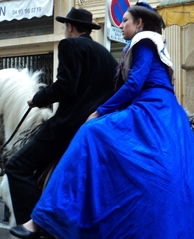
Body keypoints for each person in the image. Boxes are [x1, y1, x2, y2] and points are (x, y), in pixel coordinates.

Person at [9, 3, 194, 239]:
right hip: (164, 110)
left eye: (126, 20)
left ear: (139, 24)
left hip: (149, 106)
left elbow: (133, 85)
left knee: (89, 132)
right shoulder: (139, 45)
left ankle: (43, 219)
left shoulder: (143, 41)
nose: (121, 24)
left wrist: (100, 111)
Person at [5, 7, 117, 226]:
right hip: (98, 126)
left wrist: (37, 99)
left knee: (17, 166)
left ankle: (33, 225)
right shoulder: (105, 54)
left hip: (68, 126)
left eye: (66, 27)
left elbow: (66, 86)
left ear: (69, 27)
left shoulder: (70, 45)